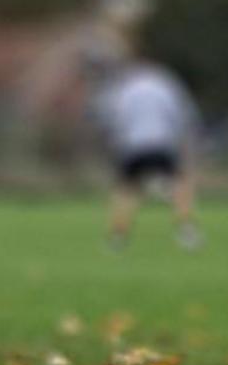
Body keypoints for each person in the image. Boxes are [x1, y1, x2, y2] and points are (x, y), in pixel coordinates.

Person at [84, 39, 202, 250]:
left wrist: (115, 144)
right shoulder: (167, 83)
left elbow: (113, 118)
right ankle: (186, 231)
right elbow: (182, 115)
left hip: (133, 146)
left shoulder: (125, 88)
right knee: (180, 183)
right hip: (162, 143)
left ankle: (117, 238)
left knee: (126, 190)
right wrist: (182, 144)